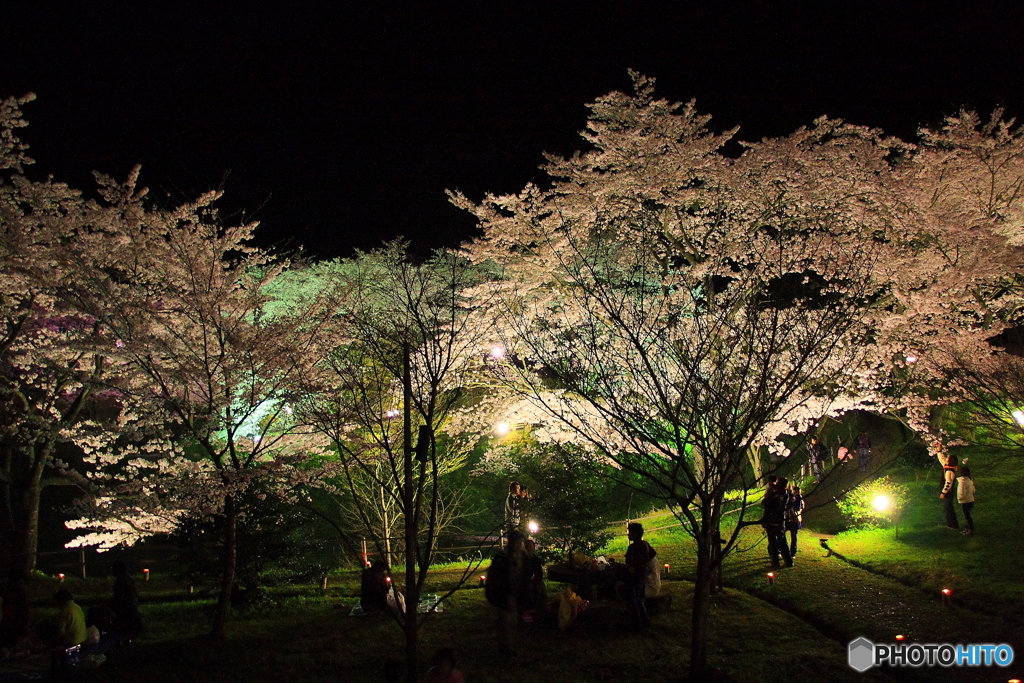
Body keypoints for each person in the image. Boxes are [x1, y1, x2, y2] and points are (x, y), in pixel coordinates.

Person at [486, 529, 528, 656]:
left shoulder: (523, 557)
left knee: (513, 620)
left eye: (521, 542)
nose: (520, 545)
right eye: (518, 542)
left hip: (517, 593)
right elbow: (496, 578)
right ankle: (506, 647)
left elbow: (525, 574)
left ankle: (509, 645)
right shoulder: (502, 559)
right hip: (505, 593)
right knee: (506, 620)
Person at [622, 522, 657, 628]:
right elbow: (652, 554)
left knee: (635, 599)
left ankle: (638, 623)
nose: (628, 535)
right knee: (638, 599)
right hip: (638, 576)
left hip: (637, 577)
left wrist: (634, 568)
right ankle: (644, 622)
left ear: (635, 534)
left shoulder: (638, 547)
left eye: (630, 533)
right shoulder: (639, 546)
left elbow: (636, 562)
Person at [762, 477, 793, 568]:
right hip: (779, 521)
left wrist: (770, 490)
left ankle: (775, 562)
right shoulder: (785, 493)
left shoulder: (778, 494)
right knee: (782, 542)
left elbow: (765, 503)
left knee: (773, 542)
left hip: (773, 521)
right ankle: (788, 561)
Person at [109, 560, 142, 639]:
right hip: (132, 610)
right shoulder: (129, 579)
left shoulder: (120, 582)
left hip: (126, 612)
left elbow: (119, 600)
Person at [522, 538, 547, 610]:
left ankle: (541, 607)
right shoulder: (521, 559)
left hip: (533, 581)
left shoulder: (535, 559)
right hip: (522, 581)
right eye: (527, 546)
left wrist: (533, 582)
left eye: (531, 546)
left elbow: (539, 573)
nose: (529, 548)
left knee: (541, 587)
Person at [938, 449, 960, 529]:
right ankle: (950, 524)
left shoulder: (949, 471)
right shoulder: (947, 468)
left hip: (948, 493)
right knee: (947, 508)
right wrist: (939, 451)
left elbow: (948, 483)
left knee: (948, 508)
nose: (946, 458)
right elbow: (941, 459)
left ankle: (953, 524)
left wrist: (943, 493)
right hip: (948, 492)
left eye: (948, 458)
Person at [785, 484, 804, 557]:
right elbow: (800, 507)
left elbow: (799, 508)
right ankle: (792, 552)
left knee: (793, 536)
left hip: (792, 518)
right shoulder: (795, 498)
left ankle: (791, 552)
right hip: (793, 518)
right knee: (793, 536)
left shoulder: (796, 498)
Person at [957, 465, 976, 535]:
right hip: (971, 500)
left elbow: (961, 491)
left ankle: (970, 529)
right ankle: (967, 528)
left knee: (967, 516)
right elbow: (973, 490)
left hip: (965, 501)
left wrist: (960, 498)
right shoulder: (970, 481)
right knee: (968, 515)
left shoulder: (962, 482)